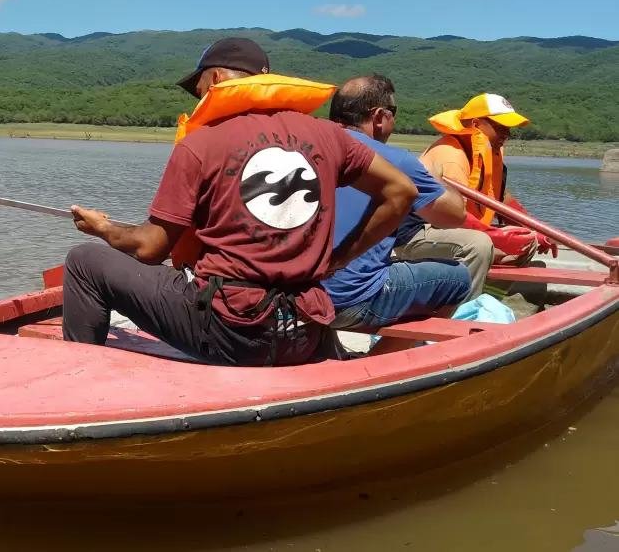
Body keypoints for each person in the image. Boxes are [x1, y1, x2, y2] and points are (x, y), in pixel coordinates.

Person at [61, 38, 418, 367]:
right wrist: (338, 260)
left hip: (233, 334)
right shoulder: (330, 136)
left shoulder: (202, 143)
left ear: (215, 78)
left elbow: (151, 248)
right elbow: (401, 191)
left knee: (84, 261)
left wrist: (103, 227)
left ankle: (80, 383)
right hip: (305, 329)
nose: (198, 101)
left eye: (198, 90)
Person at [322, 75, 477, 334]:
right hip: (352, 301)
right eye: (393, 113)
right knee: (458, 278)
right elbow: (453, 216)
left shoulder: (307, 147)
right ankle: (381, 360)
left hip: (301, 293)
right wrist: (434, 177)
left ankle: (330, 346)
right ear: (380, 116)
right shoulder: (398, 161)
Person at [405, 94, 558, 266]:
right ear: (476, 124)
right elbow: (451, 215)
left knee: (527, 242)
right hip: (420, 233)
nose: (507, 134)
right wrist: (496, 236)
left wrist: (537, 230)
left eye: (509, 128)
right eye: (500, 127)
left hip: (455, 228)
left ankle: (492, 289)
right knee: (482, 244)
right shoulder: (451, 156)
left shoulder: (487, 153)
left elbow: (501, 200)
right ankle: (467, 291)